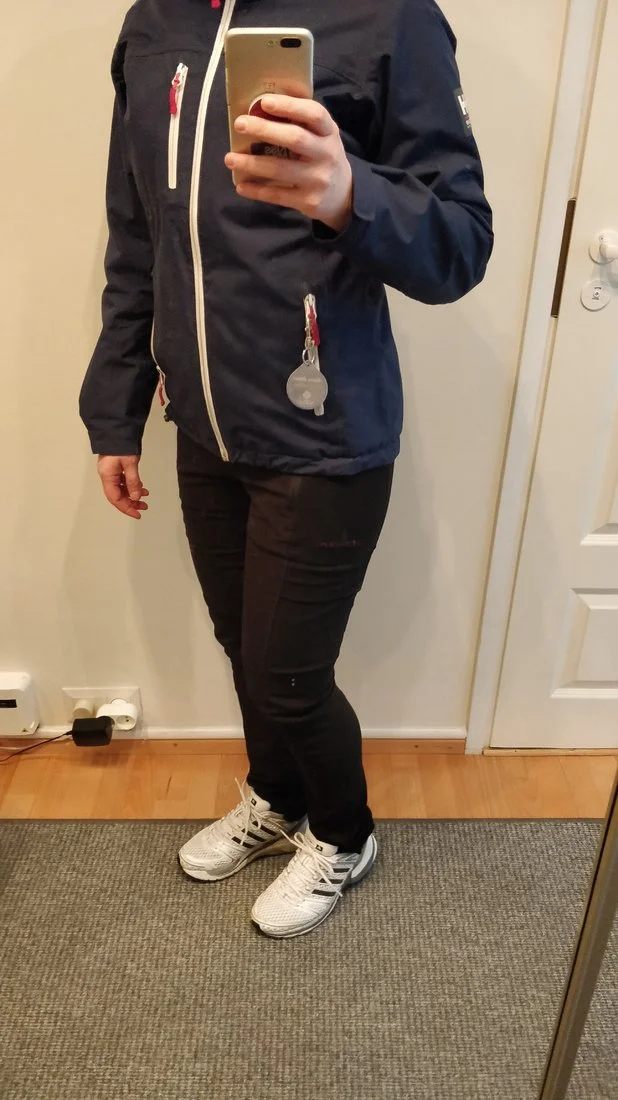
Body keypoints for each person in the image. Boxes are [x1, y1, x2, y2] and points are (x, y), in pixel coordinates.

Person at [80, 0, 493, 939]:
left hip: (325, 433)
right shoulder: (153, 23)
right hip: (206, 428)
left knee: (289, 676)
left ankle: (344, 833)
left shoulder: (390, 17)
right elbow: (137, 236)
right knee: (246, 649)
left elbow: (461, 244)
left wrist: (348, 193)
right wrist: (115, 409)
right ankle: (277, 796)